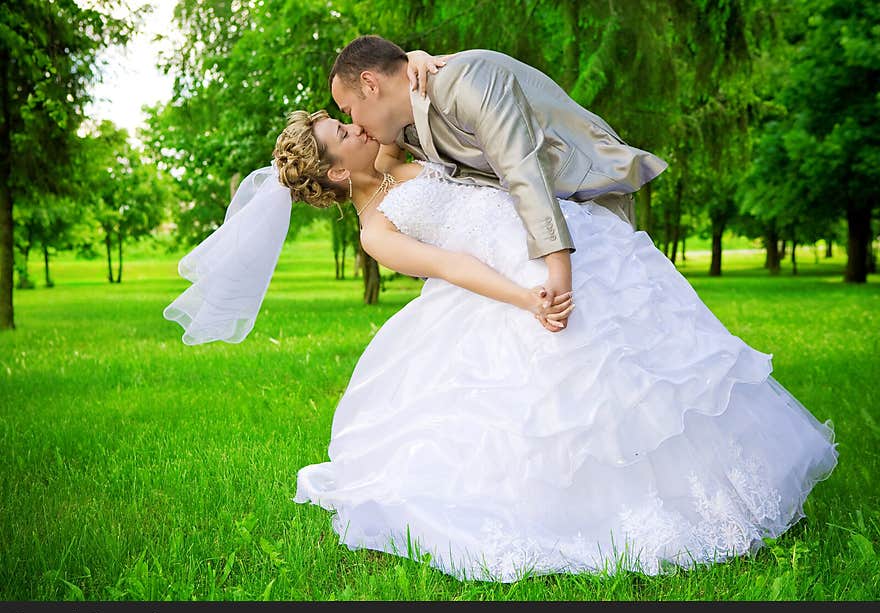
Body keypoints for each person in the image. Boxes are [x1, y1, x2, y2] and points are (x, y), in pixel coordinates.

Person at [165, 105, 838, 581]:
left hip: (558, 233)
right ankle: (615, 512)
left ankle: (727, 491)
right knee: (576, 392)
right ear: (337, 174)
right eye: (340, 132)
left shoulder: (397, 149)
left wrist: (422, 62)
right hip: (504, 278)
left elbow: (427, 102)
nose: (353, 125)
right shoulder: (376, 230)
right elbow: (454, 266)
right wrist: (525, 296)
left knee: (656, 364)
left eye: (343, 118)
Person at [329, 35, 669, 330]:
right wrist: (410, 57)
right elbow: (367, 168)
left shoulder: (467, 83)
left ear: (371, 85)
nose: (354, 123)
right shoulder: (403, 127)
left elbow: (522, 168)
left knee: (616, 323)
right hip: (523, 236)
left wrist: (558, 271)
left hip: (583, 189)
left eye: (347, 111)